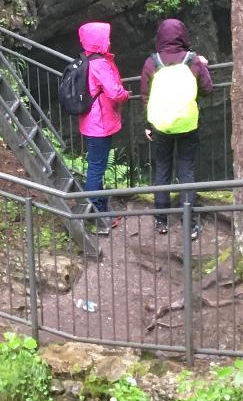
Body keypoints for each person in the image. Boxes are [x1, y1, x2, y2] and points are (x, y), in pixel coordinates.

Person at [140, 18, 214, 237]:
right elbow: (208, 89)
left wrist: (149, 124)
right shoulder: (192, 61)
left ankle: (161, 220)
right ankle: (190, 223)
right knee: (186, 170)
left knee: (162, 168)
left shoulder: (151, 62)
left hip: (161, 125)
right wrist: (203, 66)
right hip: (187, 124)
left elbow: (146, 96)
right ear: (183, 35)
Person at [77, 22, 130, 235]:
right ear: (98, 41)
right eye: (106, 37)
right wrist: (126, 93)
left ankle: (100, 208)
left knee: (95, 165)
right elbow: (115, 92)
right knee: (96, 168)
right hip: (100, 123)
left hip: (90, 121)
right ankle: (96, 214)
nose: (109, 40)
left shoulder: (87, 60)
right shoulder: (99, 64)